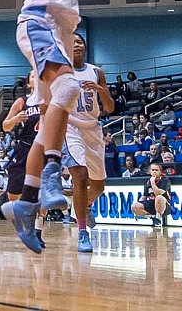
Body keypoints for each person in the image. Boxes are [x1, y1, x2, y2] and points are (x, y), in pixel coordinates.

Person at [0, 0, 182, 253]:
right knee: (66, 90)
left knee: (50, 113)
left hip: (60, 30)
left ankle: (26, 203)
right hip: (40, 21)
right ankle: (49, 173)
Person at [61, 34, 114, 252]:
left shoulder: (96, 71)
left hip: (93, 129)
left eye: (80, 42)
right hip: (71, 127)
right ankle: (83, 232)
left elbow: (110, 108)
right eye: (71, 42)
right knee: (80, 177)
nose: (76, 45)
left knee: (99, 186)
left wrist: (101, 90)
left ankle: (85, 205)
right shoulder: (60, 72)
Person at [1, 72, 47, 246]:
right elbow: (5, 126)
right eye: (34, 76)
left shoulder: (49, 100)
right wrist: (15, 118)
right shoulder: (22, 101)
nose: (38, 78)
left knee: (42, 195)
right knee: (13, 196)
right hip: (24, 148)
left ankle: (37, 232)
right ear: (29, 83)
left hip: (42, 149)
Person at [131, 163, 171, 227]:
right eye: (152, 170)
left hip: (164, 205)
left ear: (160, 172)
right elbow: (144, 196)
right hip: (152, 203)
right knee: (134, 206)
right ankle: (153, 217)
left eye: (156, 170)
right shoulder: (147, 182)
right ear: (150, 172)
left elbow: (158, 193)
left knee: (159, 197)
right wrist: (136, 211)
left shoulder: (165, 180)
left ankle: (158, 218)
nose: (154, 172)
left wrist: (152, 182)